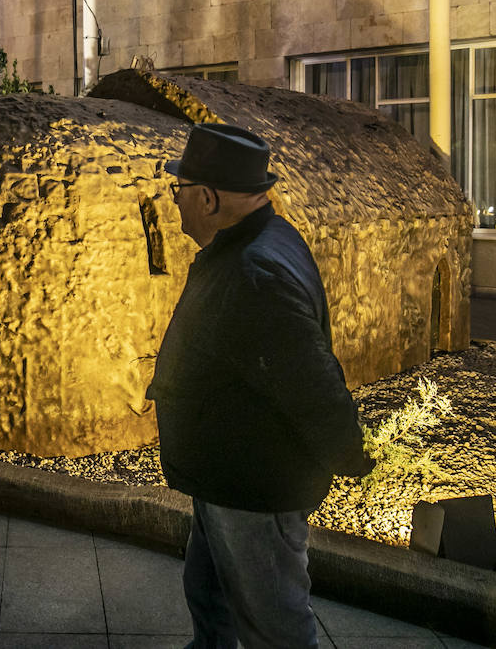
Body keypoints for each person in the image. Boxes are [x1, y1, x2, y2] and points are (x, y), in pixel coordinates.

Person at [146, 123, 373, 649]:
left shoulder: (254, 272)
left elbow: (311, 380)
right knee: (210, 595)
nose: (174, 201)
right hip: (225, 474)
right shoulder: (263, 241)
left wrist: (348, 453)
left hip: (252, 485)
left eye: (178, 190)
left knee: (274, 626)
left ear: (207, 198)